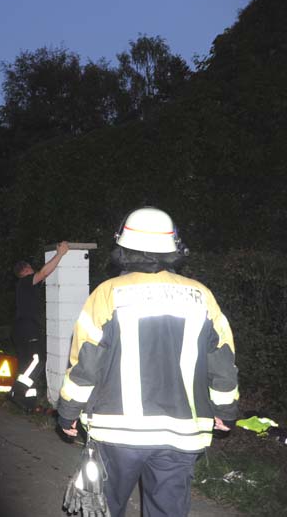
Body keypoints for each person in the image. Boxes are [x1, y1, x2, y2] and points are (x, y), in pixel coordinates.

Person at [57, 207, 238, 517]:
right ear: (175, 248)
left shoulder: (108, 293)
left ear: (123, 247)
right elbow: (222, 362)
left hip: (116, 433)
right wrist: (225, 411)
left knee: (102, 508)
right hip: (181, 433)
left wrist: (68, 412)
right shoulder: (201, 295)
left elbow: (86, 363)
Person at [10, 241, 69, 402]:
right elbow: (43, 273)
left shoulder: (25, 286)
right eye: (30, 267)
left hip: (21, 329)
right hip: (28, 328)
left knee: (26, 364)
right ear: (26, 269)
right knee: (37, 360)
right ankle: (18, 391)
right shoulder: (26, 281)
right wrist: (60, 254)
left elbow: (45, 273)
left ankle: (27, 401)